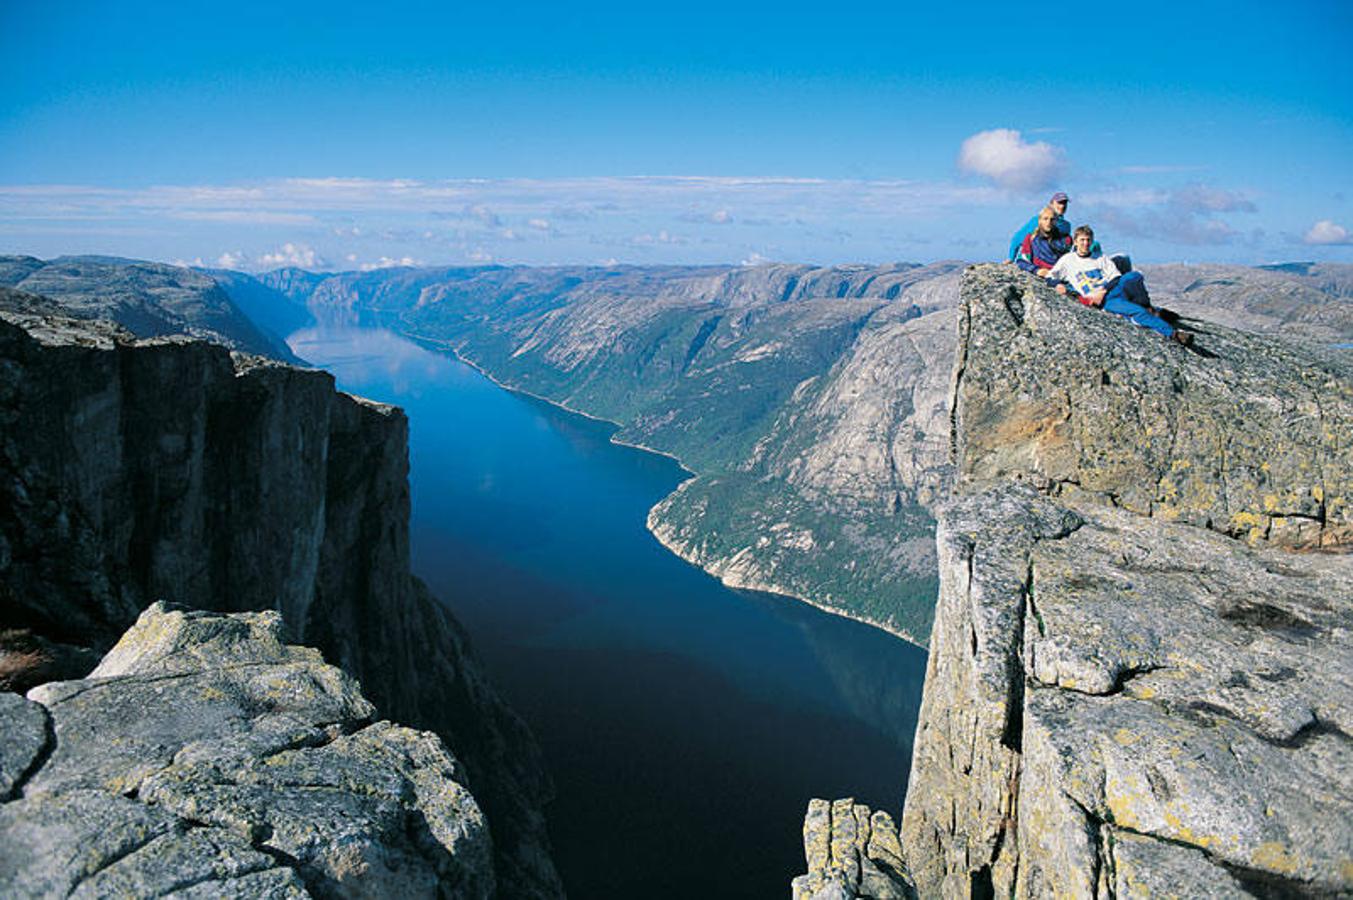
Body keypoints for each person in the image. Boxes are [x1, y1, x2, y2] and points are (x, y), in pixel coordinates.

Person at [1045, 225, 1193, 346]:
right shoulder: (1068, 260)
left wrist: (1103, 291)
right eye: (1082, 240)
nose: (1085, 243)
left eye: (1088, 240)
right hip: (1104, 301)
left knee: (1134, 277)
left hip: (1110, 290)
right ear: (1075, 242)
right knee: (1137, 312)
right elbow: (1050, 276)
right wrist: (1058, 285)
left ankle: (1149, 307)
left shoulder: (1100, 258)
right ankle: (1174, 334)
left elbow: (1115, 276)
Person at [1008, 192, 1071, 261]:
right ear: (1051, 204)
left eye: (1064, 203)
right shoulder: (1038, 220)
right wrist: (1011, 258)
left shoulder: (1066, 226)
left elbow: (1066, 247)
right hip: (1034, 261)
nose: (1062, 206)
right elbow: (1017, 239)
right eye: (1059, 203)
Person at [1014, 206, 1071, 275]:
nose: (1048, 222)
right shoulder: (1031, 238)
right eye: (1045, 219)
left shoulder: (1065, 239)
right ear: (1039, 221)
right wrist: (1036, 270)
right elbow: (1022, 261)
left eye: (1052, 219)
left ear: (1056, 221)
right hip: (1040, 273)